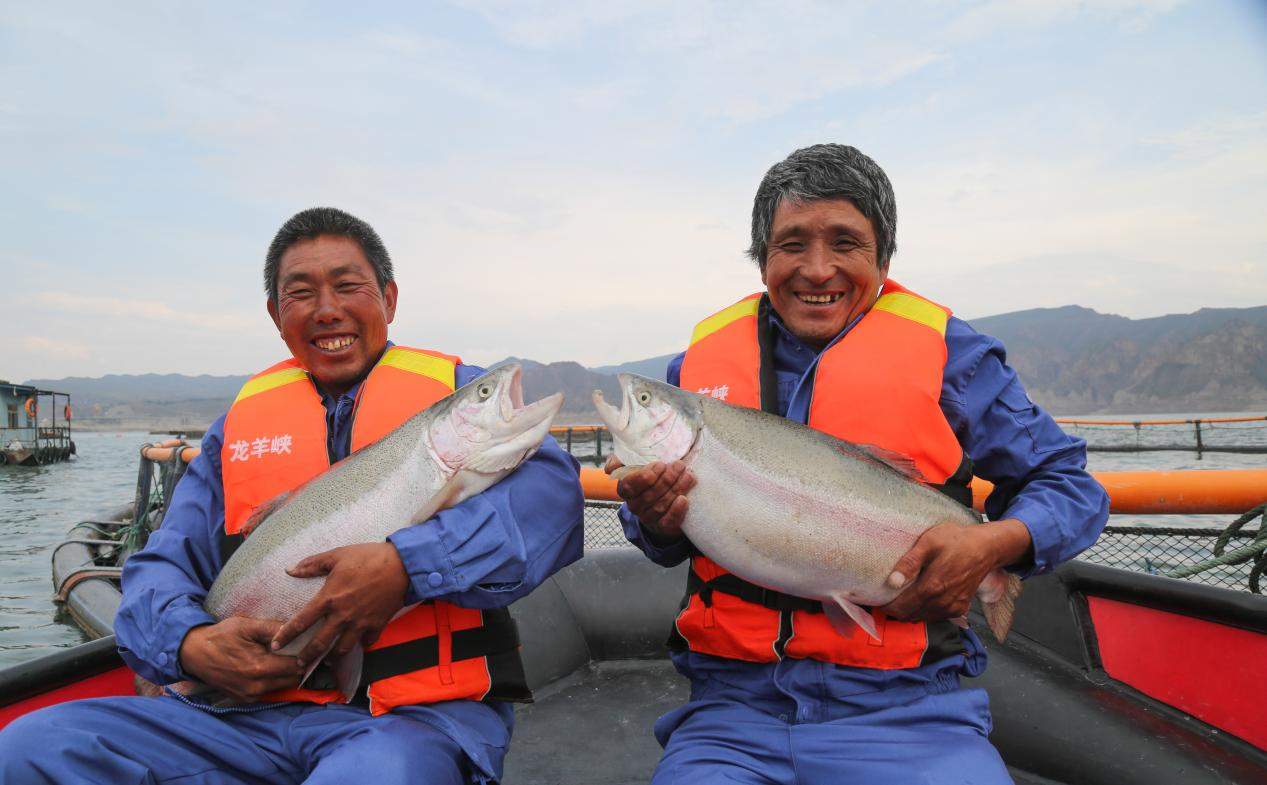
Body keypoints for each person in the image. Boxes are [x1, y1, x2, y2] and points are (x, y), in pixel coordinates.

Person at [0, 207, 585, 784]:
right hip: (237, 717)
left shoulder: (453, 397)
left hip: (408, 719)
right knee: (30, 746)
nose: (327, 310)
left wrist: (405, 567)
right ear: (277, 317)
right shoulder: (235, 432)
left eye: (348, 286)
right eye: (301, 294)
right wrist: (190, 644)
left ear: (389, 297)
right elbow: (162, 564)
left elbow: (552, 497)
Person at [610, 144, 1109, 784]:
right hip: (730, 715)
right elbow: (660, 543)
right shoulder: (694, 373)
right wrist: (656, 520)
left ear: (883, 258)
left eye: (845, 243)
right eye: (792, 244)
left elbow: (1068, 486)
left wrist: (997, 545)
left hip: (912, 711)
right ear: (762, 258)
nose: (818, 270)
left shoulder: (952, 355)